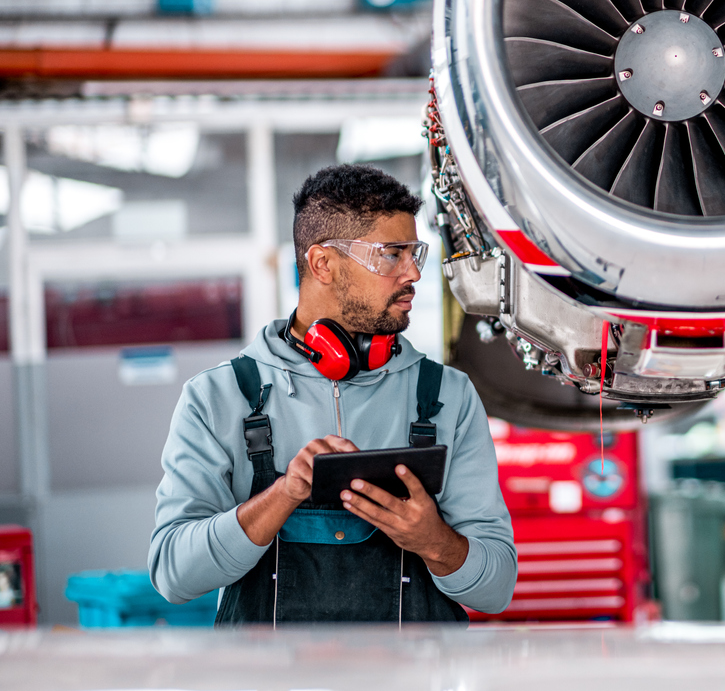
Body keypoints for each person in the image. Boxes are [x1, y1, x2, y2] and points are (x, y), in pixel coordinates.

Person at [148, 164, 515, 624]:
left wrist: (432, 540)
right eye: (391, 255)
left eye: (415, 253)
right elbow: (172, 574)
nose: (413, 274)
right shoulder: (218, 397)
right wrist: (282, 496)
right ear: (323, 263)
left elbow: (498, 588)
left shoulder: (448, 396)